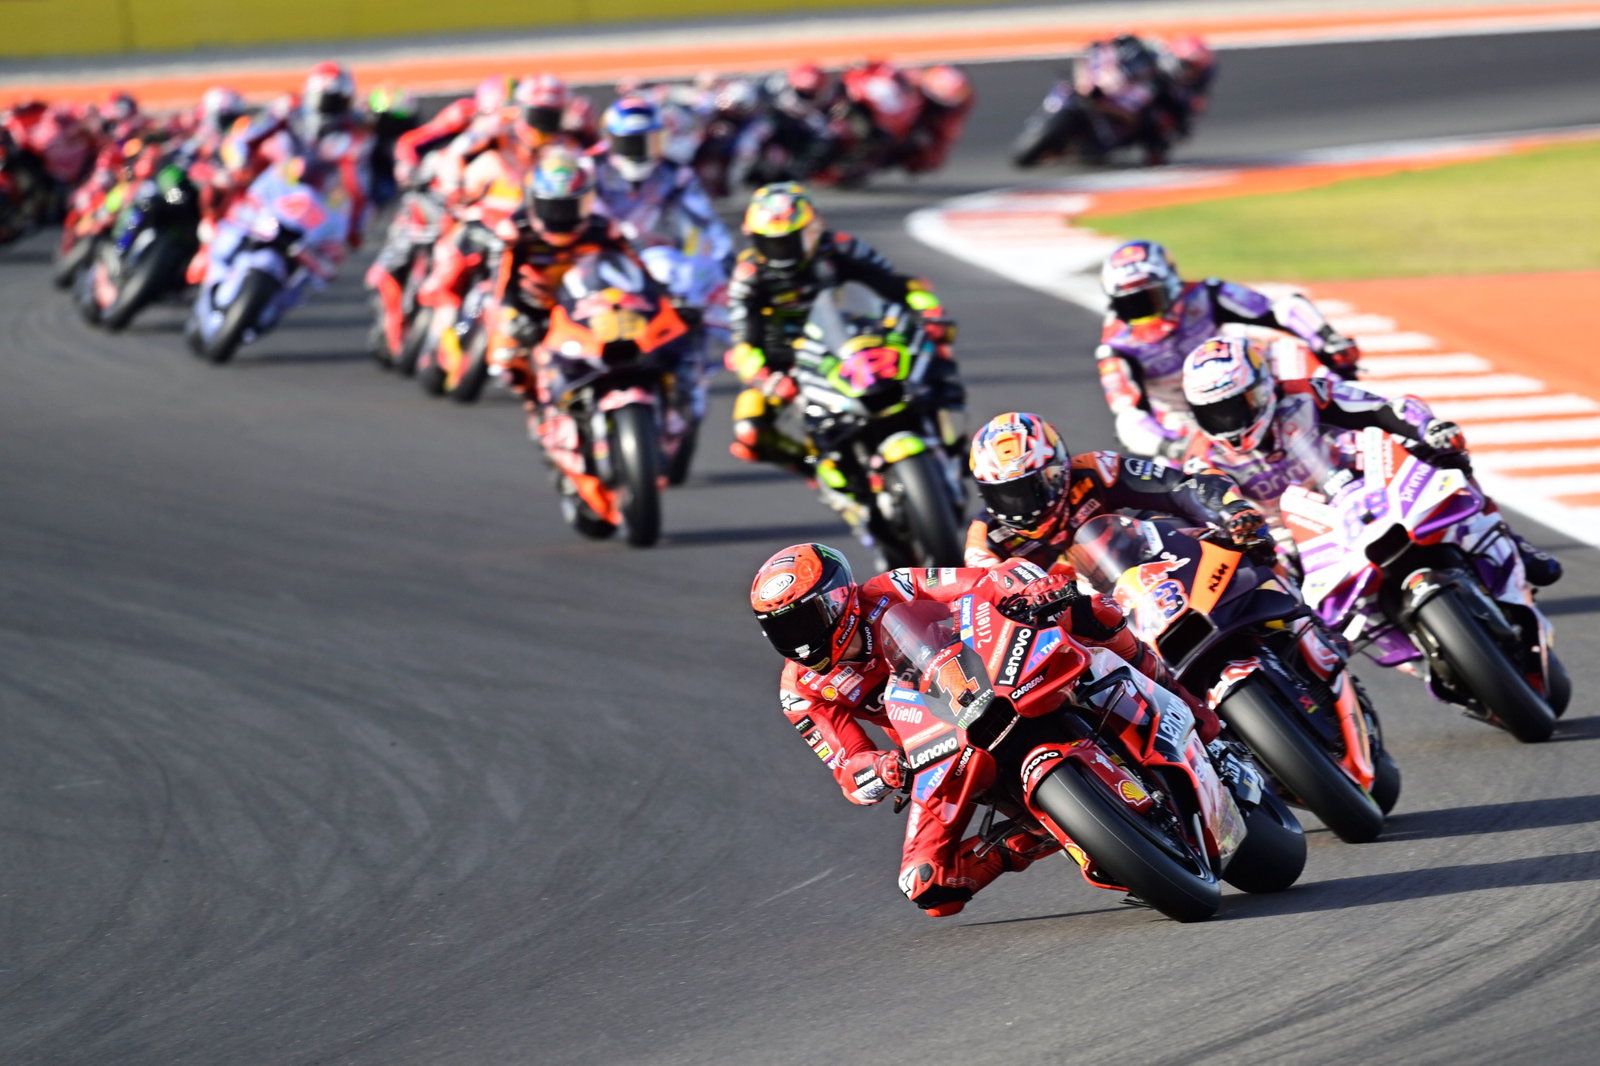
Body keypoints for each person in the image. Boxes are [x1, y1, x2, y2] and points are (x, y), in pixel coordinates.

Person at [750, 542, 1226, 917]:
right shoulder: (802, 690)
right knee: (928, 886)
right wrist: (884, 768)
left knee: (1092, 610)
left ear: (838, 600)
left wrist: (1022, 592)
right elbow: (847, 769)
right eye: (783, 632)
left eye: (805, 621)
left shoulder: (892, 587)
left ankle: (1184, 702)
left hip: (993, 672)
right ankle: (1040, 832)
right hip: (940, 744)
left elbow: (981, 581)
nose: (800, 642)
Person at [1180, 335, 1562, 586]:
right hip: (1291, 532)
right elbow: (1205, 506)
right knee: (1271, 588)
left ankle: (1505, 537)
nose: (1229, 422)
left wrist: (1427, 428)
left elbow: (1380, 409)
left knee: (1437, 450)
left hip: (1352, 480)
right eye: (1215, 413)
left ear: (1261, 387)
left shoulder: (1304, 392)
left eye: (1236, 406)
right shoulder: (1202, 457)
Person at [725, 181, 961, 468]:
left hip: (849, 343)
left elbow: (897, 284)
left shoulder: (840, 248)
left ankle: (949, 440)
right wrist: (766, 377)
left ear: (811, 230)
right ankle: (816, 466)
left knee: (932, 351)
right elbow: (743, 341)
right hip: (786, 362)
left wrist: (930, 309)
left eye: (788, 241)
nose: (779, 251)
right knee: (749, 431)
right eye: (769, 242)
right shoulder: (749, 274)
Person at [1097, 238, 1361, 461]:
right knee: (1176, 480)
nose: (1146, 314)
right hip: (1184, 420)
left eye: (1150, 299)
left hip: (1242, 385)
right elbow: (1129, 416)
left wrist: (1328, 340)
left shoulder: (1207, 293)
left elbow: (1282, 311)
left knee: (1287, 352)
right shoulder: (1115, 347)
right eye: (1131, 306)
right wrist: (1172, 447)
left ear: (1172, 283)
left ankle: (1355, 414)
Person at [963, 411, 1270, 575]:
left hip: (1152, 574)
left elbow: (1182, 487)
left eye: (1028, 489)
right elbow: (985, 594)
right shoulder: (986, 538)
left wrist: (1231, 509)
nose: (1019, 506)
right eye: (1004, 494)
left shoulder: (1096, 470)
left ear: (1057, 472)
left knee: (1250, 549)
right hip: (1091, 630)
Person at [592, 94, 732, 263]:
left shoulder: (676, 174)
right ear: (610, 140)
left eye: (648, 142)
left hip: (655, 256)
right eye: (631, 143)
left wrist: (723, 257)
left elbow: (707, 220)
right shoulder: (589, 169)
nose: (640, 152)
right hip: (598, 255)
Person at [898, 64, 973, 174]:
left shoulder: (949, 119)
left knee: (931, 159)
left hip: (915, 129)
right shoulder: (915, 78)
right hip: (899, 109)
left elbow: (944, 141)